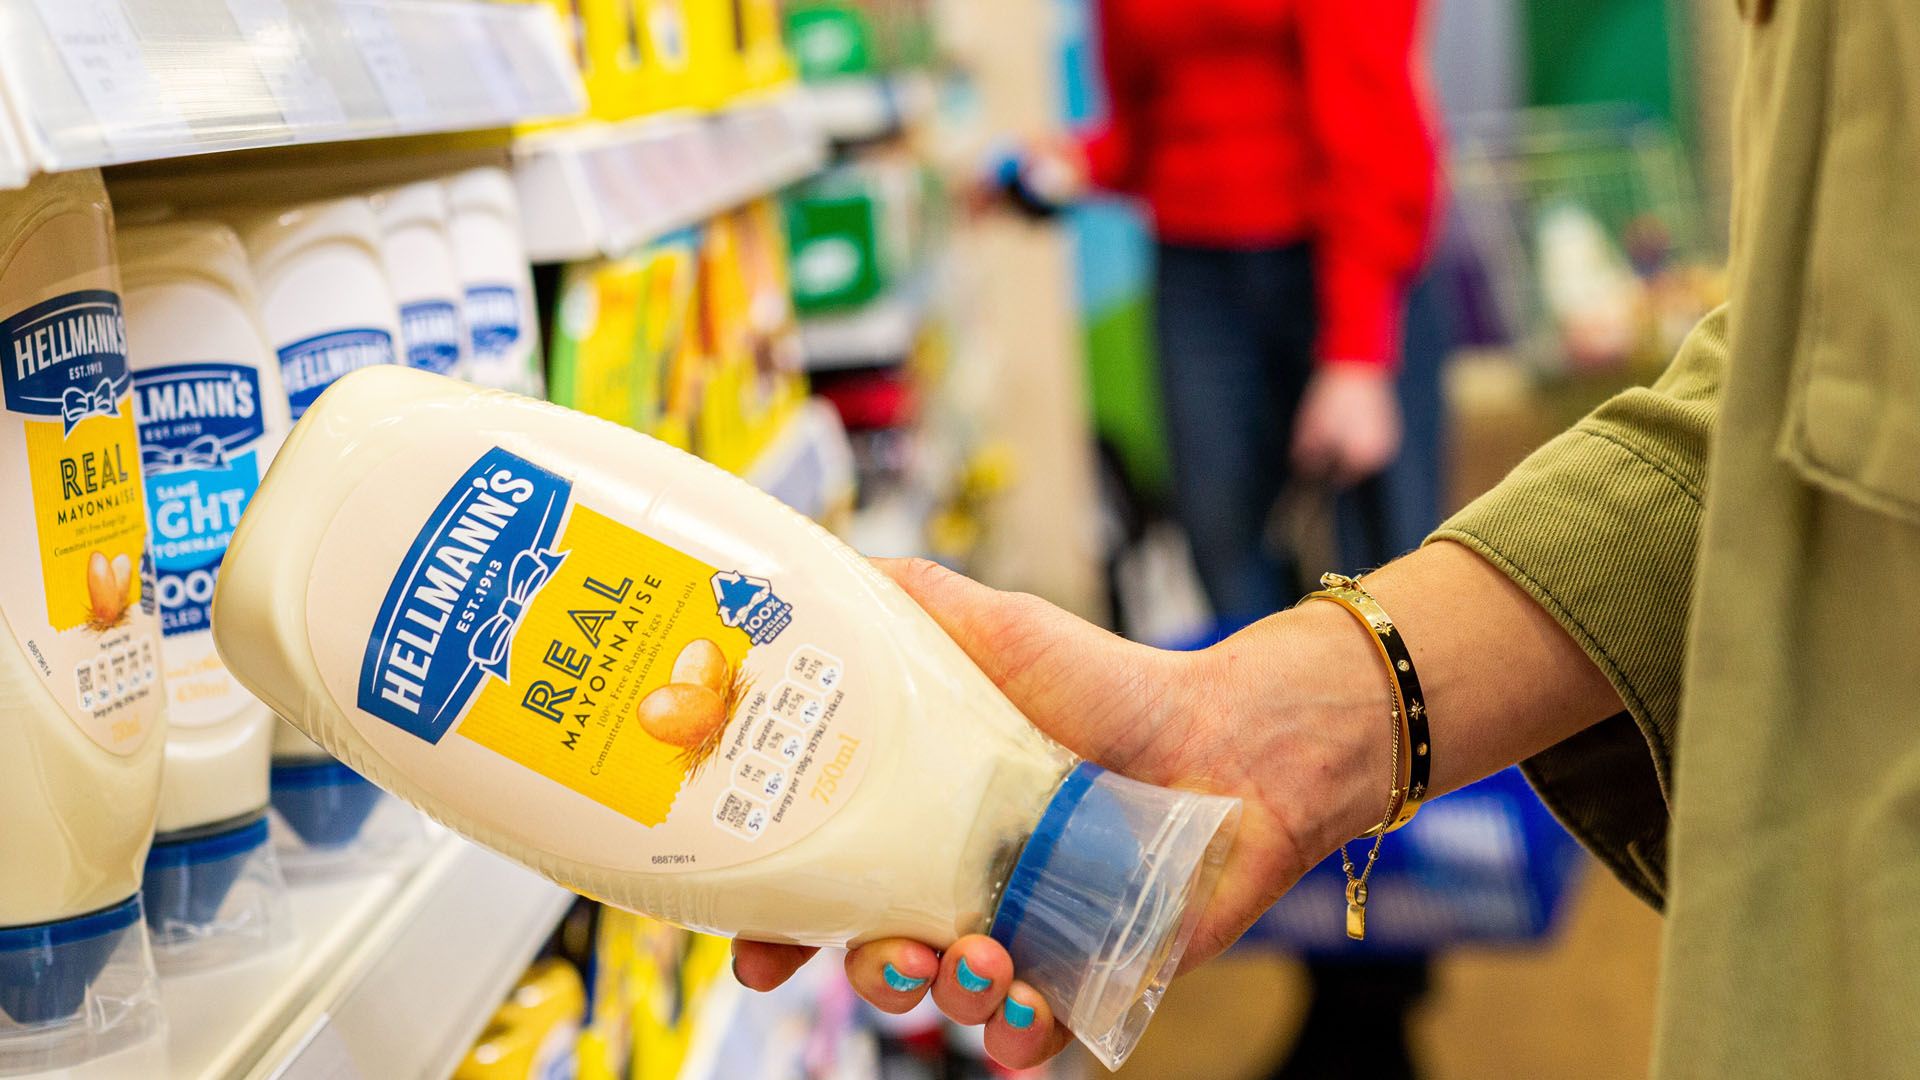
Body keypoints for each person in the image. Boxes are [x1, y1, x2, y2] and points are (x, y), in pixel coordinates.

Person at [737, 1, 1920, 1074]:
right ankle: (1319, 968)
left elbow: (1376, 131)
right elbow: (1152, 133)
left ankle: (1387, 992)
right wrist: (1066, 171)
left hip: (1335, 262)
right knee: (1237, 612)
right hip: (1198, 277)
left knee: (1382, 581)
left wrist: (1356, 349)